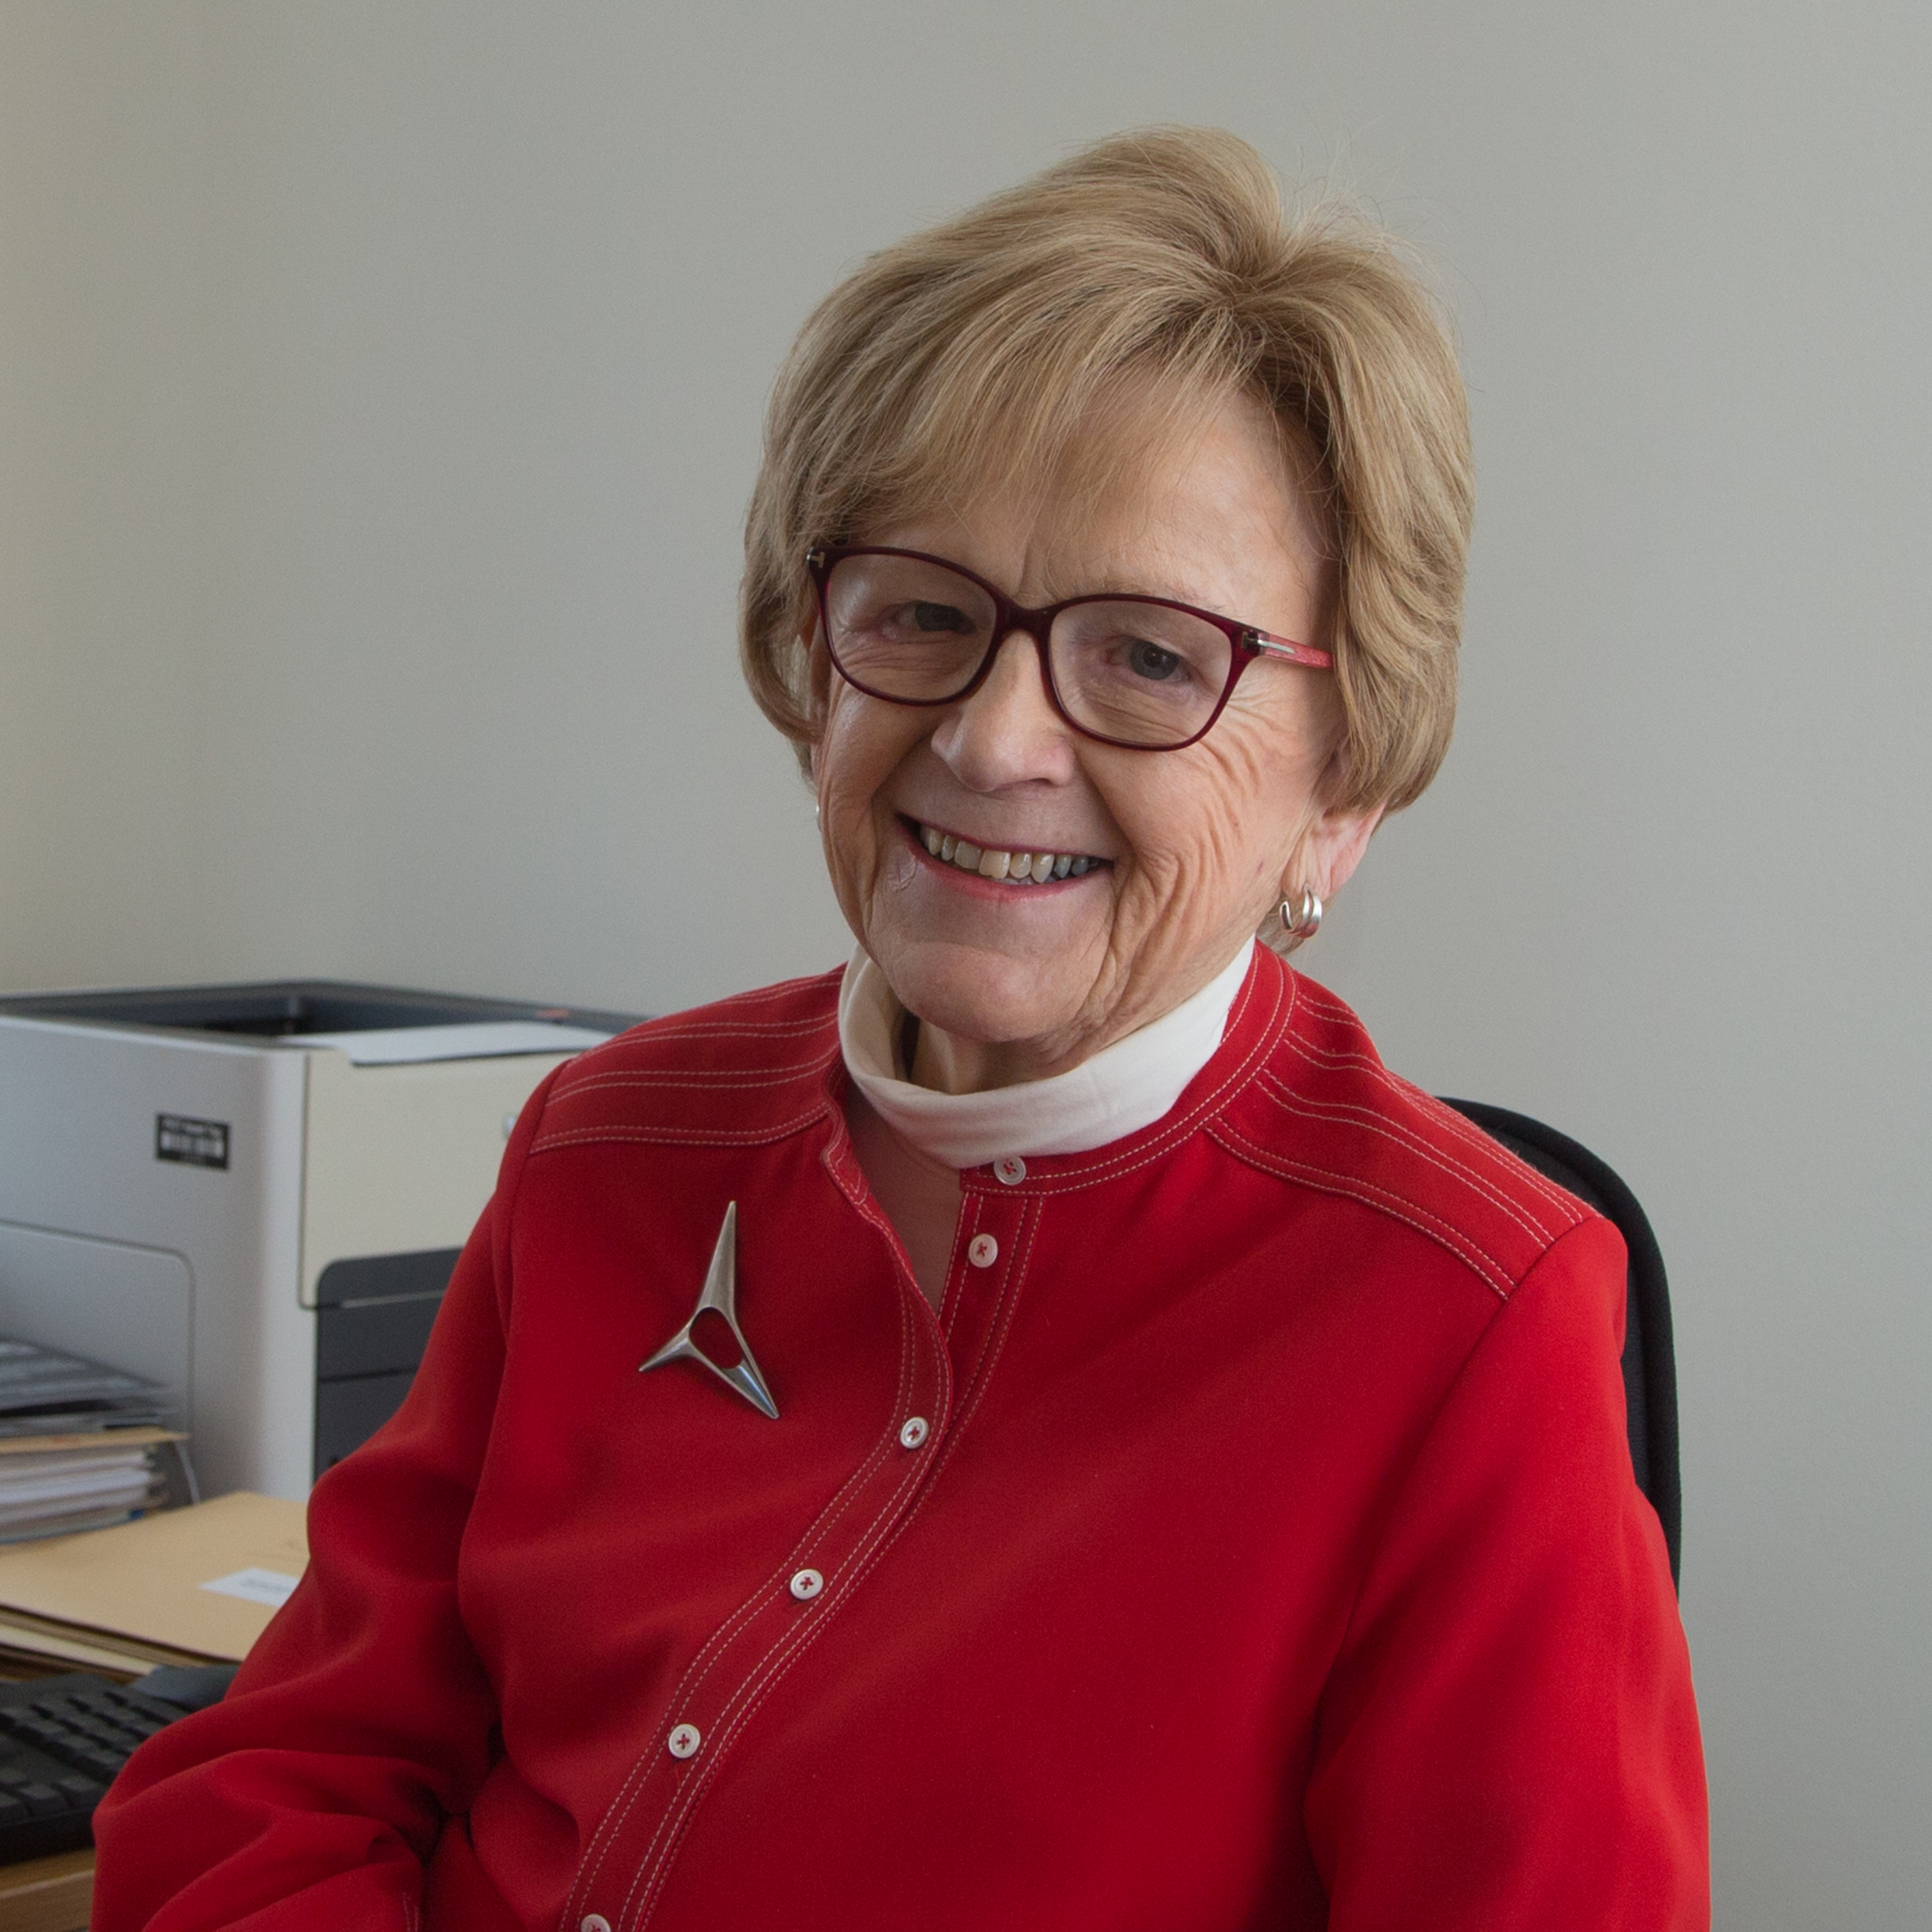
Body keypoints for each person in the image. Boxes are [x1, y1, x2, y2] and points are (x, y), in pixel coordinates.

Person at [93, 128, 1707, 1930]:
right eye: (924, 616)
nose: (996, 738)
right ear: (817, 669)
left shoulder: (1469, 1323)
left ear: (1347, 791)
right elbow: (284, 1780)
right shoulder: (609, 1146)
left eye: (1151, 658)